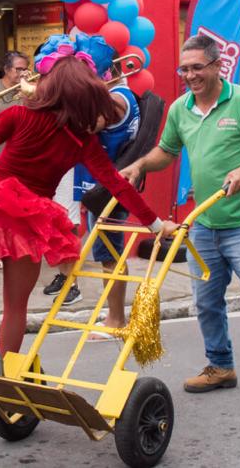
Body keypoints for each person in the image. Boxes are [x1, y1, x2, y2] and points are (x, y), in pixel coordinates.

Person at [0, 55, 177, 374]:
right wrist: (156, 223)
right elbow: (118, 185)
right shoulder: (82, 140)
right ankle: (6, 374)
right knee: (16, 306)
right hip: (32, 220)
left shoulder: (19, 115)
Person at [120, 33, 240, 414]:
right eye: (184, 68)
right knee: (206, 302)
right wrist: (139, 164)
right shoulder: (180, 109)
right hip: (203, 222)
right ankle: (220, 366)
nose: (189, 75)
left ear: (218, 66)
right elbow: (166, 152)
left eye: (197, 67)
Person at [46, 62, 140, 314]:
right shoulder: (124, 95)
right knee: (109, 254)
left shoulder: (112, 101)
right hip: (106, 185)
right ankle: (115, 315)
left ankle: (116, 318)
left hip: (106, 188)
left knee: (109, 256)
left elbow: (87, 126)